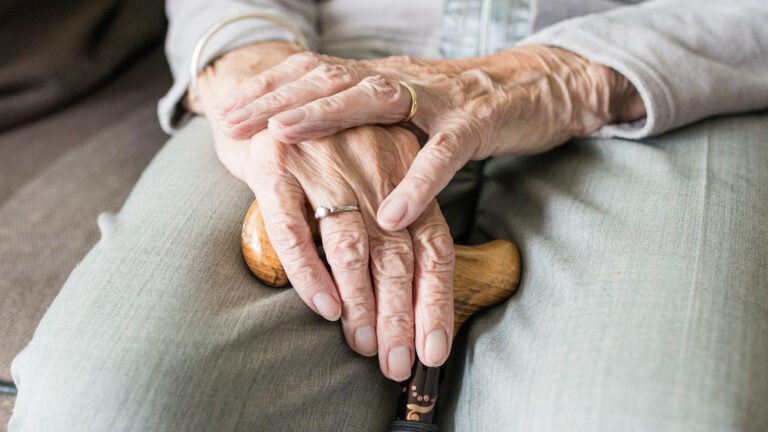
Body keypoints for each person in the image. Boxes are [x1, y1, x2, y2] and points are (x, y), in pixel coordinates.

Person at [9, 0, 768, 430]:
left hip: (653, 74)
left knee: (659, 416)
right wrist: (261, 74)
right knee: (111, 403)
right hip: (321, 67)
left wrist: (556, 77)